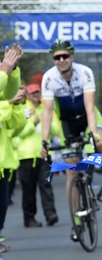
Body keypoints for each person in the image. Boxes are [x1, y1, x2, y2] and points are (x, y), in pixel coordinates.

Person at [39, 40, 102, 243]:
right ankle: (76, 220)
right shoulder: (48, 78)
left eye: (65, 56)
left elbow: (90, 107)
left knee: (99, 143)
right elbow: (47, 112)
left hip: (87, 117)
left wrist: (92, 133)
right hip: (67, 123)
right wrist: (44, 141)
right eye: (57, 57)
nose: (61, 60)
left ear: (72, 57)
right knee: (71, 171)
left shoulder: (85, 73)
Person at [17, 83, 59, 228]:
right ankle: (29, 218)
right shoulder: (22, 109)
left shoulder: (46, 109)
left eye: (38, 92)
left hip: (44, 154)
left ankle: (50, 214)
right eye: (33, 93)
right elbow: (18, 132)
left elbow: (55, 130)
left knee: (46, 184)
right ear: (27, 95)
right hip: (26, 155)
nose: (36, 95)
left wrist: (48, 124)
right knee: (28, 189)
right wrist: (32, 123)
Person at [0, 43, 25, 260]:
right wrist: (4, 72)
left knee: (0, 215)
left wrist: (13, 71)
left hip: (3, 164)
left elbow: (16, 127)